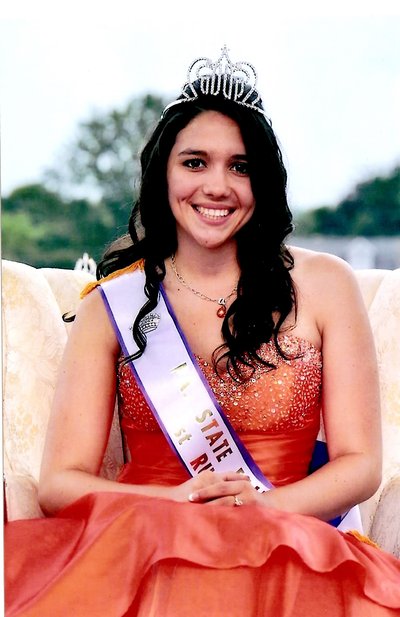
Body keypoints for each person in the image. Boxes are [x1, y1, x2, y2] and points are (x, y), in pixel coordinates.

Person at [5, 46, 400, 616]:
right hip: (146, 539)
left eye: (240, 167)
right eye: (194, 162)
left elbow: (360, 463)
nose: (217, 186)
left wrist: (269, 507)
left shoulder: (325, 284)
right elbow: (60, 482)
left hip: (290, 542)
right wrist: (173, 499)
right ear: (162, 174)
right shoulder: (114, 303)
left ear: (263, 182)